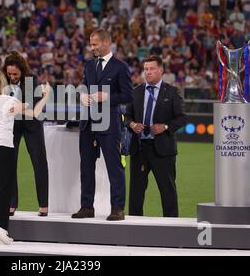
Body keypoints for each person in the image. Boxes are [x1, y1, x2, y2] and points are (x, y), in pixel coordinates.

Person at [0, 69, 50, 244]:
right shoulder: (9, 101)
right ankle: (1, 228)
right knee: (5, 189)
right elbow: (34, 112)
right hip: (4, 147)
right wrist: (45, 96)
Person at [71, 28, 133, 221]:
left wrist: (107, 97)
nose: (92, 47)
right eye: (91, 44)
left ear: (107, 43)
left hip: (110, 126)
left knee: (114, 167)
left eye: (95, 44)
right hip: (88, 124)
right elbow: (83, 86)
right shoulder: (89, 65)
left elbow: (128, 96)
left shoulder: (120, 67)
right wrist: (81, 95)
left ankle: (117, 209)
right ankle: (87, 206)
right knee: (86, 167)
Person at [125, 56, 186, 217]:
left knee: (167, 191)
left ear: (161, 71)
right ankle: (134, 226)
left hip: (163, 150)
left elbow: (181, 118)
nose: (148, 72)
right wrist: (132, 125)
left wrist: (165, 127)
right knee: (136, 193)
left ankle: (172, 227)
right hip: (139, 149)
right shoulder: (136, 91)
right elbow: (127, 116)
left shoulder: (172, 92)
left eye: (152, 69)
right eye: (146, 69)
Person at [2, 51, 49, 217]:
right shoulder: (2, 80)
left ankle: (43, 204)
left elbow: (33, 105)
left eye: (15, 74)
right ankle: (11, 203)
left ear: (22, 71)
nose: (12, 76)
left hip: (32, 124)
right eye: (9, 74)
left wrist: (18, 106)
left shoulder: (32, 79)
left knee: (39, 162)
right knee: (9, 163)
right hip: (12, 125)